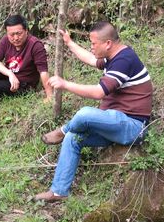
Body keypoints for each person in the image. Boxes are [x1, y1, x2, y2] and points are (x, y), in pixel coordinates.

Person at [34, 22, 153, 201]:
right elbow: (91, 59)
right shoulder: (113, 56)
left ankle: (62, 130)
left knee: (84, 114)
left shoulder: (124, 60)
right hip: (113, 125)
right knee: (73, 138)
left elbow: (99, 93)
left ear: (108, 44)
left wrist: (65, 84)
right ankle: (59, 192)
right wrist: (69, 43)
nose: (91, 47)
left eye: (93, 43)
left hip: (132, 127)